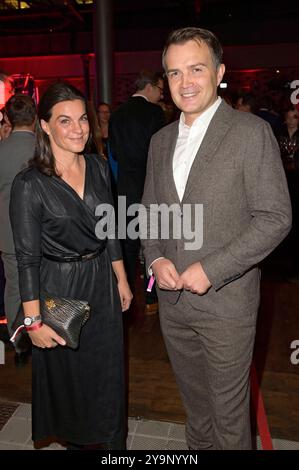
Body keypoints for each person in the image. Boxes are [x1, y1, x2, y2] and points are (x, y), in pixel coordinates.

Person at [141, 27, 292, 450]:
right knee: (196, 412)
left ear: (219, 71)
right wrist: (154, 260)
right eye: (174, 73)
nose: (184, 82)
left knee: (229, 421)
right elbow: (150, 213)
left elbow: (275, 218)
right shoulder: (159, 141)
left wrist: (211, 269)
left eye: (195, 69)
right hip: (172, 304)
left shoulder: (250, 133)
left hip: (227, 305)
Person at [9, 82, 132, 449]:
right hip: (59, 288)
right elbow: (26, 259)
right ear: (44, 126)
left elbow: (110, 228)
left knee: (108, 375)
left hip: (101, 282)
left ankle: (111, 446)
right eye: (65, 120)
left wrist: (121, 279)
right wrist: (32, 322)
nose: (78, 128)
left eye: (82, 119)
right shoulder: (29, 184)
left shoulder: (97, 166)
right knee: (72, 382)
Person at [109, 70, 165, 315]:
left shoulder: (116, 114)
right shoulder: (155, 113)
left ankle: (126, 293)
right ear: (150, 87)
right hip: (151, 188)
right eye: (161, 90)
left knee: (128, 246)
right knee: (153, 246)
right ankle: (152, 296)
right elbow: (162, 154)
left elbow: (114, 153)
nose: (162, 95)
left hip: (125, 190)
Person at [0, 94, 36, 366]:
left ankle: (18, 340)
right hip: (40, 231)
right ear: (34, 116)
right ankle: (40, 334)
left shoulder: (1, 150)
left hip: (8, 232)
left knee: (14, 287)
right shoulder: (45, 147)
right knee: (41, 284)